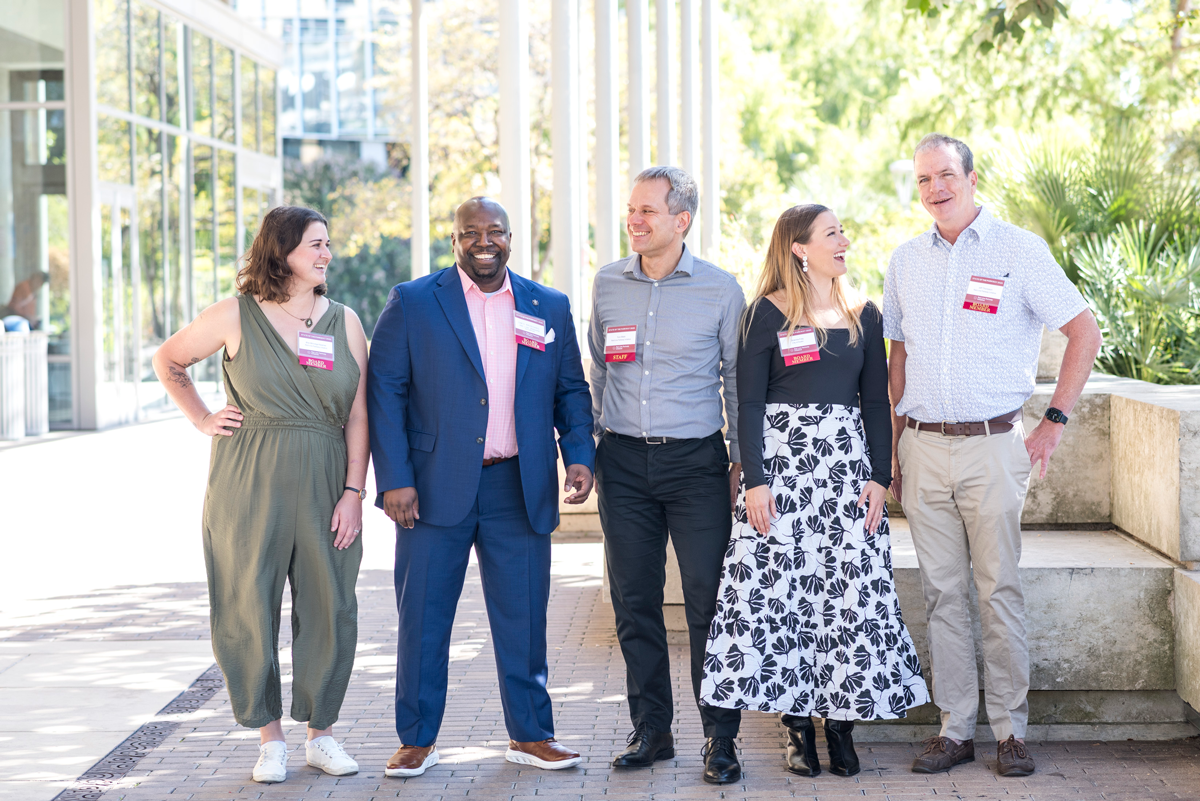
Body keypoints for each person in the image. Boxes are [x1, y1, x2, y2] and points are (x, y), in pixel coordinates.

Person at [884, 133, 1101, 777]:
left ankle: (1010, 731)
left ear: (972, 178)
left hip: (993, 446)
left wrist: (1053, 420)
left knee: (998, 590)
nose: (934, 190)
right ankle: (956, 731)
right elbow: (898, 358)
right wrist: (889, 447)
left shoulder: (1018, 250)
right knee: (944, 596)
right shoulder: (904, 261)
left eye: (945, 176)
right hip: (921, 447)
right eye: (923, 180)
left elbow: (1083, 330)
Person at [699, 204, 931, 778]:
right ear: (801, 248)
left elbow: (877, 400)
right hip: (780, 475)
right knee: (782, 600)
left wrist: (881, 475)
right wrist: (753, 480)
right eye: (833, 233)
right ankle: (797, 726)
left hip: (845, 476)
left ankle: (842, 726)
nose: (845, 240)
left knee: (846, 599)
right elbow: (747, 402)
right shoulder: (765, 314)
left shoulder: (864, 314)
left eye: (843, 232)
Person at [367, 196, 595, 778]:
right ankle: (416, 738)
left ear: (511, 238)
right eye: (471, 233)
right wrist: (394, 479)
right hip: (432, 488)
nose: (483, 241)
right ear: (455, 239)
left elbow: (571, 389)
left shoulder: (548, 305)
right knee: (423, 617)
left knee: (523, 618)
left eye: (495, 231)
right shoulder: (415, 301)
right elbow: (385, 392)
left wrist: (579, 456)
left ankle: (531, 735)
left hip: (517, 486)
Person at [152, 206, 369, 783]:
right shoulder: (235, 315)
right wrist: (201, 417)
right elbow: (168, 359)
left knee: (331, 603)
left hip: (326, 480)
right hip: (248, 478)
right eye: (314, 245)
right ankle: (268, 737)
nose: (326, 254)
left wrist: (354, 491)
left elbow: (358, 415)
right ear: (281, 252)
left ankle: (321, 734)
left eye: (327, 244)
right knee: (248, 600)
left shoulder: (345, 322)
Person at [589, 166, 746, 784]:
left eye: (648, 211)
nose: (635, 220)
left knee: (709, 603)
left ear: (682, 219)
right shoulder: (607, 284)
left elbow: (736, 383)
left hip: (696, 465)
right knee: (635, 603)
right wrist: (596, 445)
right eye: (632, 209)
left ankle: (720, 739)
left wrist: (741, 463)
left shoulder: (719, 289)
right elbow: (598, 369)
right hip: (623, 463)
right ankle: (652, 731)